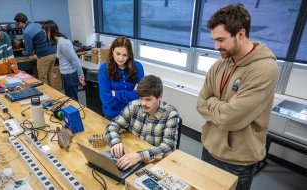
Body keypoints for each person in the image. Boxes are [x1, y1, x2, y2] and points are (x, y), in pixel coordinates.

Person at [196, 4, 279, 190]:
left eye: (221, 40)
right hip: (209, 147)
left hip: (237, 160)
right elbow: (200, 103)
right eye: (214, 40)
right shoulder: (221, 63)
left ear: (240, 34)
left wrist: (213, 103)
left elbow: (228, 118)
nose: (215, 46)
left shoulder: (264, 69)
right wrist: (221, 105)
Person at [106, 75, 180, 170]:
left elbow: (169, 147)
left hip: (154, 164)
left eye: (148, 99)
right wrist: (116, 143)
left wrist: (139, 156)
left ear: (160, 96)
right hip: (130, 154)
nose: (143, 103)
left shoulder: (171, 114)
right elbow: (113, 125)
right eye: (141, 98)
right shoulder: (133, 106)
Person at [98, 36, 144, 119]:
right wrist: (131, 96)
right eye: (118, 54)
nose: (120, 58)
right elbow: (106, 100)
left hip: (133, 115)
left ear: (129, 55)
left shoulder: (138, 67)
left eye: (125, 55)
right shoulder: (104, 68)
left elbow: (139, 95)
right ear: (112, 51)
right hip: (112, 116)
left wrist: (115, 93)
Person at [42, 20, 85, 101]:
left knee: (72, 100)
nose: (44, 34)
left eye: (44, 32)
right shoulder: (61, 40)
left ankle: (75, 113)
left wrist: (81, 75)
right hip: (68, 75)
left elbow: (75, 60)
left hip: (69, 75)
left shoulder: (62, 43)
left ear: (49, 31)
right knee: (71, 99)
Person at [14, 13, 56, 87]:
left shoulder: (26, 32)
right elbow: (38, 40)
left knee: (42, 77)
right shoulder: (37, 25)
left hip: (44, 56)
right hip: (53, 53)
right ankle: (55, 94)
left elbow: (29, 52)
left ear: (20, 23)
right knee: (50, 75)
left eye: (16, 24)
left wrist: (22, 52)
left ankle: (47, 95)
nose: (16, 26)